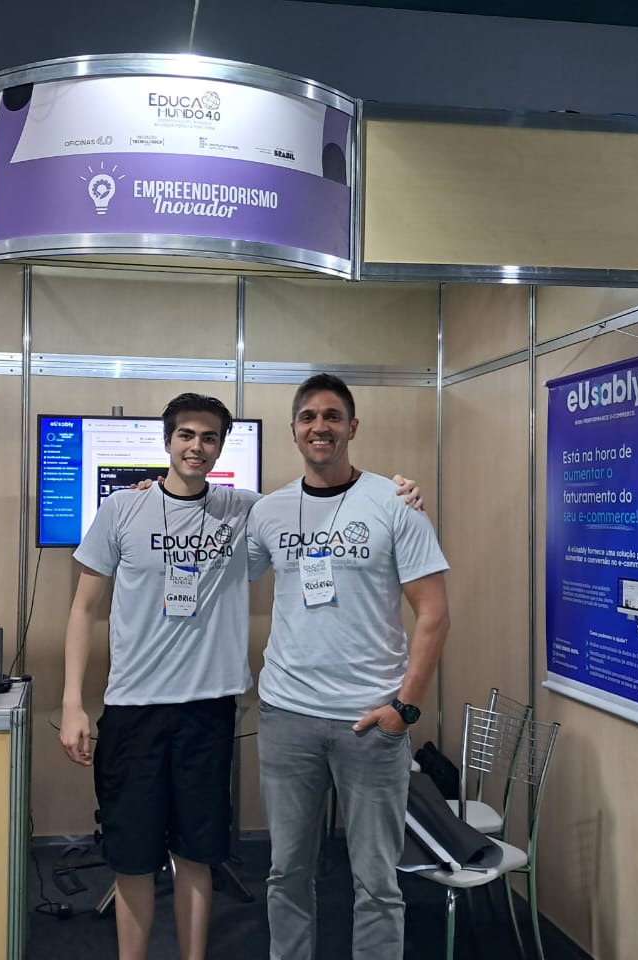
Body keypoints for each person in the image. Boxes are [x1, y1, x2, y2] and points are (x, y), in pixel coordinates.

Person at [59, 392, 423, 960]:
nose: (196, 447)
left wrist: (397, 491)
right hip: (132, 709)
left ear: (221, 446)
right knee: (130, 856)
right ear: (167, 441)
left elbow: (324, 497)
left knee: (199, 852)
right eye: (186, 435)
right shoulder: (121, 510)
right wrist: (75, 705)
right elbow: (82, 610)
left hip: (208, 710)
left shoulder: (248, 510)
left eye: (208, 438)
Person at [247, 373, 451, 960]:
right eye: (309, 417)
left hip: (371, 721)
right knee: (285, 871)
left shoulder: (395, 503)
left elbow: (434, 615)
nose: (320, 427)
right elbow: (223, 561)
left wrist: (404, 707)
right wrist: (145, 493)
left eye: (333, 416)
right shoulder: (270, 510)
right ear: (293, 430)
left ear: (352, 427)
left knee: (378, 882)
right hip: (288, 718)